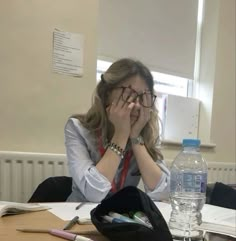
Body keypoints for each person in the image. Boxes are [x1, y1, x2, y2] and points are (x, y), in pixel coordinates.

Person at [64, 58, 170, 202]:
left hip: (119, 217)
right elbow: (93, 193)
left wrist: (135, 137)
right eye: (128, 94)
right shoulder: (78, 128)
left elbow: (163, 192)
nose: (137, 105)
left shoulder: (145, 133)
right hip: (79, 216)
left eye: (143, 98)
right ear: (106, 94)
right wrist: (121, 134)